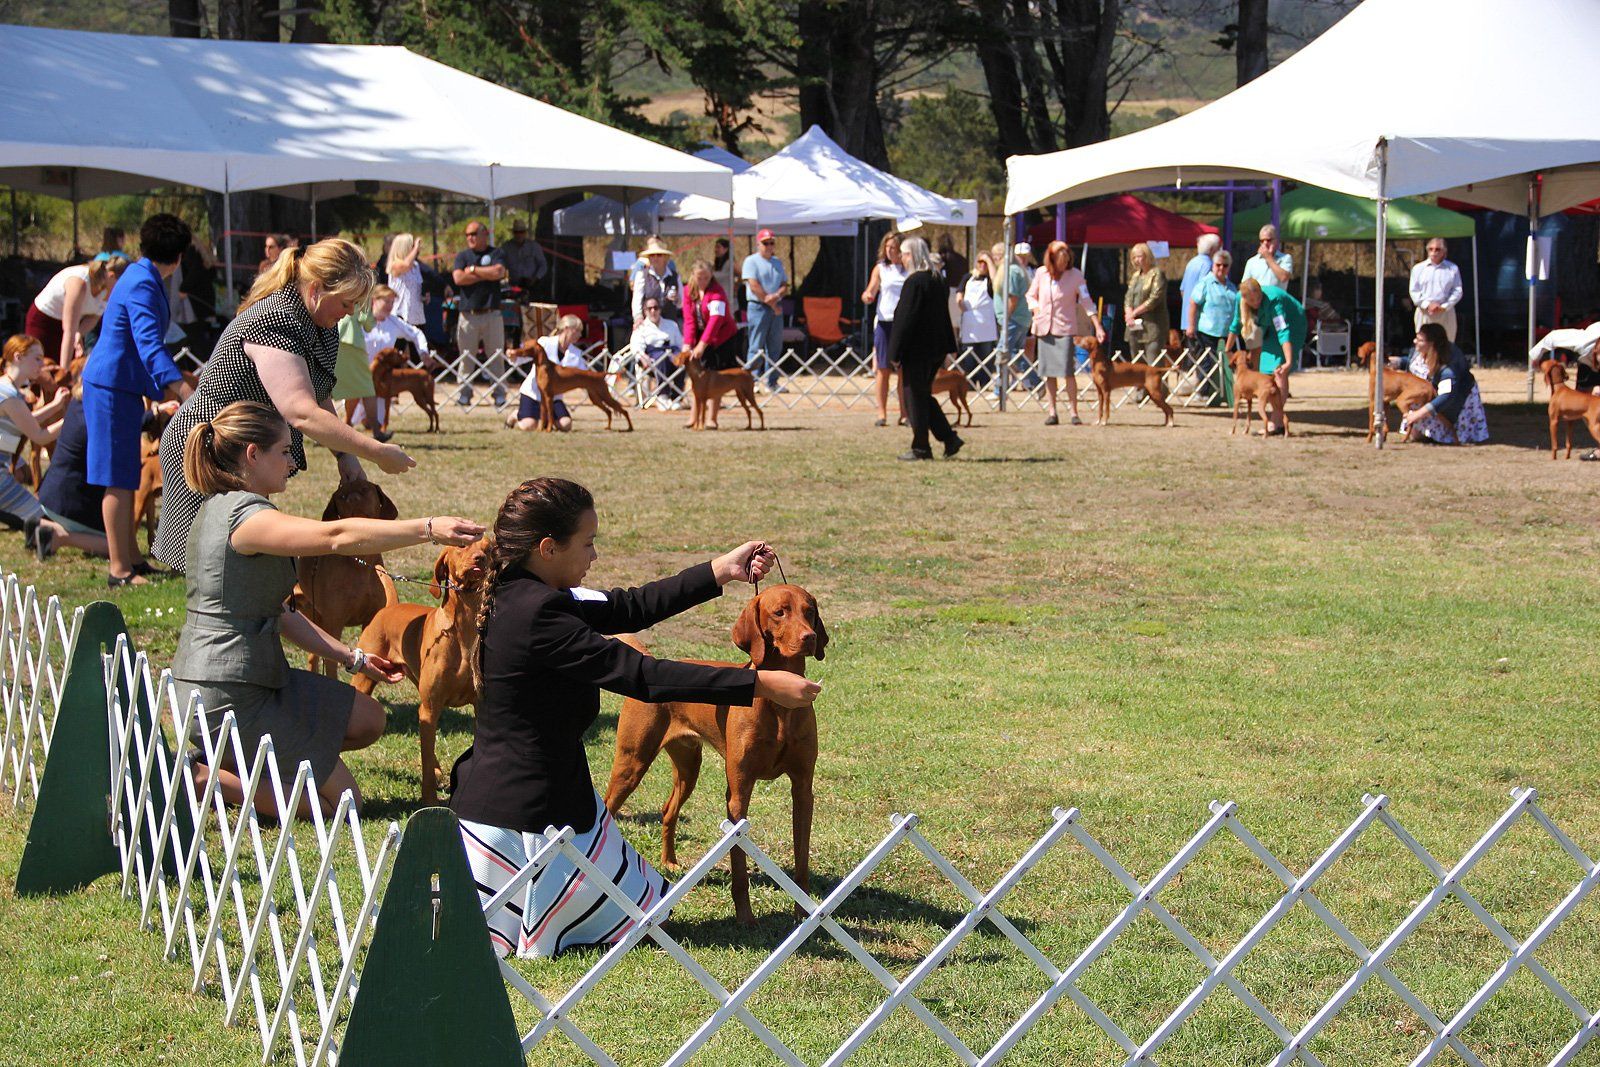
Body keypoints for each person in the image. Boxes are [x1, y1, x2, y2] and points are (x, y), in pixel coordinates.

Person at [448, 476, 818, 958]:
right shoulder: (539, 615)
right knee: (634, 917)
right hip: (522, 820)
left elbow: (631, 606)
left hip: (547, 799)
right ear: (547, 548)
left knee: (650, 907)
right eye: (587, 543)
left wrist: (720, 570)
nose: (594, 555)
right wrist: (759, 683)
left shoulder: (529, 591)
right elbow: (642, 675)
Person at [171, 400, 482, 820]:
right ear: (252, 455)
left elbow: (280, 613)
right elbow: (335, 535)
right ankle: (202, 778)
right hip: (227, 695)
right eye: (284, 452)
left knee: (369, 717)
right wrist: (427, 529)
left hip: (253, 680)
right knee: (342, 807)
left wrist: (352, 657)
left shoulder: (223, 506)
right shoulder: (246, 519)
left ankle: (254, 760)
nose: (292, 462)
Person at [155, 238, 416, 576]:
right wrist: (376, 451)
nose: (350, 312)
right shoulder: (275, 320)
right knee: (212, 570)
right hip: (205, 451)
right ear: (317, 289)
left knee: (240, 570)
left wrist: (346, 456)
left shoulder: (320, 324)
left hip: (243, 453)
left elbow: (317, 392)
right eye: (347, 301)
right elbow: (301, 411)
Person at [82, 213, 197, 587]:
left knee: (127, 474)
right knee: (116, 478)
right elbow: (149, 346)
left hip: (122, 386)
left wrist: (169, 384)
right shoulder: (144, 285)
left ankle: (132, 559)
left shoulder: (138, 275)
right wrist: (179, 389)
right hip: (112, 386)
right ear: (179, 257)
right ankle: (119, 570)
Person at [0, 336, 103, 560]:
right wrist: (74, 418)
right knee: (46, 522)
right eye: (36, 359)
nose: (42, 365)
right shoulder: (9, 396)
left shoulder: (8, 390)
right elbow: (38, 434)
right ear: (18, 357)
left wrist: (55, 406)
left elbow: (26, 419)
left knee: (39, 519)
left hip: (3, 472)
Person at [887, 237, 965, 461]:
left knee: (913, 396)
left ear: (911, 255)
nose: (901, 257)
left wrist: (895, 352)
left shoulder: (915, 281)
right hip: (936, 348)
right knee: (922, 394)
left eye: (903, 253)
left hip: (917, 349)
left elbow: (905, 318)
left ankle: (921, 447)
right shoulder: (936, 279)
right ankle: (949, 438)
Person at [1028, 241, 1103, 427]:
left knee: (1068, 372)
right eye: (1060, 260)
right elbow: (1030, 295)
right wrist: (1036, 310)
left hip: (1065, 329)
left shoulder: (1076, 275)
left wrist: (1098, 326)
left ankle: (1074, 412)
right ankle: (1052, 412)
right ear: (1051, 259)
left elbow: (1087, 302)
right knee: (1048, 373)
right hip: (1044, 329)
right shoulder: (1040, 274)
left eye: (1067, 259)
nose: (1064, 263)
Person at [1228, 278, 1304, 436]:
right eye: (1251, 301)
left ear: (1261, 292)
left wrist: (1288, 362)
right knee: (1265, 371)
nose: (1256, 303)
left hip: (1293, 324)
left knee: (1278, 370)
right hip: (1269, 327)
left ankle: (1277, 423)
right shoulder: (1239, 298)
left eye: (1258, 299)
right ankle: (1276, 420)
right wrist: (1228, 348)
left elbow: (1283, 332)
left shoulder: (1274, 301)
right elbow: (1236, 323)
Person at [450, 221, 509, 408]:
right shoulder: (463, 256)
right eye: (467, 234)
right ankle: (464, 394)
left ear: (485, 234)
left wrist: (474, 271)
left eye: (474, 233)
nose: (470, 238)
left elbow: (499, 272)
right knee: (466, 357)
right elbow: (458, 278)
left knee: (496, 357)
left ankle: (499, 394)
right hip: (468, 315)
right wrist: (486, 274)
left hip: (492, 313)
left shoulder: (496, 253)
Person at [27, 257, 127, 367]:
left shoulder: (108, 291)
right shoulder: (79, 283)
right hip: (44, 321)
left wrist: (79, 333)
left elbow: (94, 316)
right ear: (111, 276)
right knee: (40, 367)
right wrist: (64, 371)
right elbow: (69, 331)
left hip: (68, 328)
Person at [1398, 322, 1488, 444]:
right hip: (1431, 395)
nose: (1415, 341)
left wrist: (1417, 415)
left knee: (1423, 434)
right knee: (1415, 434)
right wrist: (1397, 362)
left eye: (1420, 340)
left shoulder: (1449, 366)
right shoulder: (1418, 352)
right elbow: (1411, 362)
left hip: (1455, 400)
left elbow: (1447, 396)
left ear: (1432, 344)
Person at [508, 314, 589, 432]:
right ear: (567, 329)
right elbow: (522, 357)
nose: (580, 335)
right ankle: (516, 415)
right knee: (529, 426)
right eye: (577, 331)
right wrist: (513, 355)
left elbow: (585, 375)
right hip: (533, 394)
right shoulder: (544, 343)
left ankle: (547, 420)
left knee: (566, 425)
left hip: (554, 397)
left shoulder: (576, 354)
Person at [862, 231, 907, 426]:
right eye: (887, 247)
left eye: (894, 248)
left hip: (903, 322)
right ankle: (882, 413)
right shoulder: (880, 268)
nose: (890, 251)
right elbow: (871, 288)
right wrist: (868, 296)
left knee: (903, 371)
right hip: (884, 321)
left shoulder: (908, 268)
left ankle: (905, 413)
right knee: (883, 369)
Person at [741, 229, 788, 393]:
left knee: (775, 346)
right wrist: (770, 302)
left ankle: (772, 381)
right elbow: (753, 285)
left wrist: (776, 296)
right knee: (756, 345)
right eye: (765, 243)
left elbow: (784, 284)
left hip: (774, 307)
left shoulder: (777, 262)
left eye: (771, 242)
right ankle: (751, 381)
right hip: (757, 307)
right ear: (758, 244)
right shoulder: (751, 261)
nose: (769, 246)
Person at [1187, 250, 1238, 390]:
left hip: (1227, 333)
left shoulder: (1232, 286)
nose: (1221, 268)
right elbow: (1193, 303)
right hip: (1207, 331)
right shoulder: (1205, 283)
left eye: (1225, 265)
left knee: (1227, 363)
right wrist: (1190, 326)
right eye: (1218, 265)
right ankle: (1203, 392)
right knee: (1207, 363)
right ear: (1213, 265)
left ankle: (1222, 393)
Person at [990, 240, 1033, 399]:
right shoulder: (1009, 270)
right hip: (1016, 319)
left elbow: (1013, 299)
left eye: (997, 256)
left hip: (1014, 319)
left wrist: (1006, 319)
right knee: (1012, 353)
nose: (995, 259)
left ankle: (1000, 390)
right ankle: (1032, 383)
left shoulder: (1013, 272)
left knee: (1003, 353)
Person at [682, 258, 740, 374]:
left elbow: (716, 320)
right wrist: (688, 343)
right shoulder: (687, 291)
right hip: (703, 335)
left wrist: (702, 345)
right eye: (699, 278)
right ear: (693, 275)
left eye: (706, 278)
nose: (703, 281)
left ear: (711, 275)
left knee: (724, 375)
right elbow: (689, 320)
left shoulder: (718, 292)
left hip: (722, 337)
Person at [629, 294, 685, 410]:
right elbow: (636, 347)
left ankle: (676, 398)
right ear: (645, 311)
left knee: (680, 360)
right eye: (650, 308)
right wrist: (642, 357)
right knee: (662, 358)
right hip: (652, 357)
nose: (653, 311)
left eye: (656, 308)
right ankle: (662, 396)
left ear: (660, 309)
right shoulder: (641, 327)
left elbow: (680, 344)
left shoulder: (671, 324)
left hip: (672, 353)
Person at [1409, 238, 1464, 342]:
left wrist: (1444, 306)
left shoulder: (1452, 268)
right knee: (1423, 343)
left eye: (1437, 249)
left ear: (1444, 251)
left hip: (1445, 312)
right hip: (1424, 312)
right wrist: (1427, 305)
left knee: (1447, 343)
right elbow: (1414, 291)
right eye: (1431, 249)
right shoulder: (1418, 269)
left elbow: (1457, 290)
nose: (1433, 252)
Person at [957, 253, 999, 387]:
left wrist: (990, 262)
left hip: (986, 323)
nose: (982, 265)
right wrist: (960, 303)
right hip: (970, 322)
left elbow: (996, 283)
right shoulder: (968, 277)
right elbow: (960, 293)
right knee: (968, 357)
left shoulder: (991, 280)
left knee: (986, 356)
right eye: (980, 262)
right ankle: (969, 384)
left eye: (985, 263)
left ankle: (985, 383)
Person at [1123, 242, 1169, 362]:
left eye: (1139, 256)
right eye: (1134, 257)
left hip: (1153, 326)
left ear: (1147, 256)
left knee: (1154, 364)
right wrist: (1128, 314)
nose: (1137, 260)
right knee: (1137, 365)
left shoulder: (1157, 274)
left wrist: (1135, 312)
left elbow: (1155, 298)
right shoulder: (1135, 276)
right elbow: (1128, 297)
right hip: (1134, 327)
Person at [631, 236, 681, 327]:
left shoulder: (675, 276)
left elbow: (681, 304)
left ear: (665, 257)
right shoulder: (642, 275)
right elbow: (637, 300)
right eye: (652, 255)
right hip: (648, 325)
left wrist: (676, 298)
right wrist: (638, 318)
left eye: (659, 255)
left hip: (671, 324)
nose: (655, 258)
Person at [1179, 234, 1220, 337]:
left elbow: (1182, 290)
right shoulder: (1208, 265)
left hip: (1186, 319)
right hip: (1200, 323)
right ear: (1212, 249)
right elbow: (1204, 291)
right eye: (1218, 248)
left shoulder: (1191, 263)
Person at [386, 232, 426, 331]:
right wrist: (416, 247)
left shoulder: (416, 266)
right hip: (399, 313)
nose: (415, 248)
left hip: (416, 314)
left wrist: (424, 296)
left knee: (418, 344)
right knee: (398, 346)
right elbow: (406, 265)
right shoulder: (395, 264)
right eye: (411, 246)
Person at [502, 219, 549, 295]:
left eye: (521, 232)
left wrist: (536, 278)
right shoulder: (506, 247)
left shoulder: (534, 246)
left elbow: (543, 265)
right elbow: (501, 264)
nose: (519, 235)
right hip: (514, 285)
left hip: (532, 285)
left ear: (525, 233)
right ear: (513, 233)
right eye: (516, 232)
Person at [1242, 224, 1294, 293]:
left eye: (1268, 240)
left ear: (1276, 241)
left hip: (1277, 302)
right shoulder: (1252, 262)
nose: (1265, 243)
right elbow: (1245, 286)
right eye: (1262, 241)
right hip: (1257, 302)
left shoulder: (1285, 258)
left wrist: (1268, 258)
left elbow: (1284, 277)